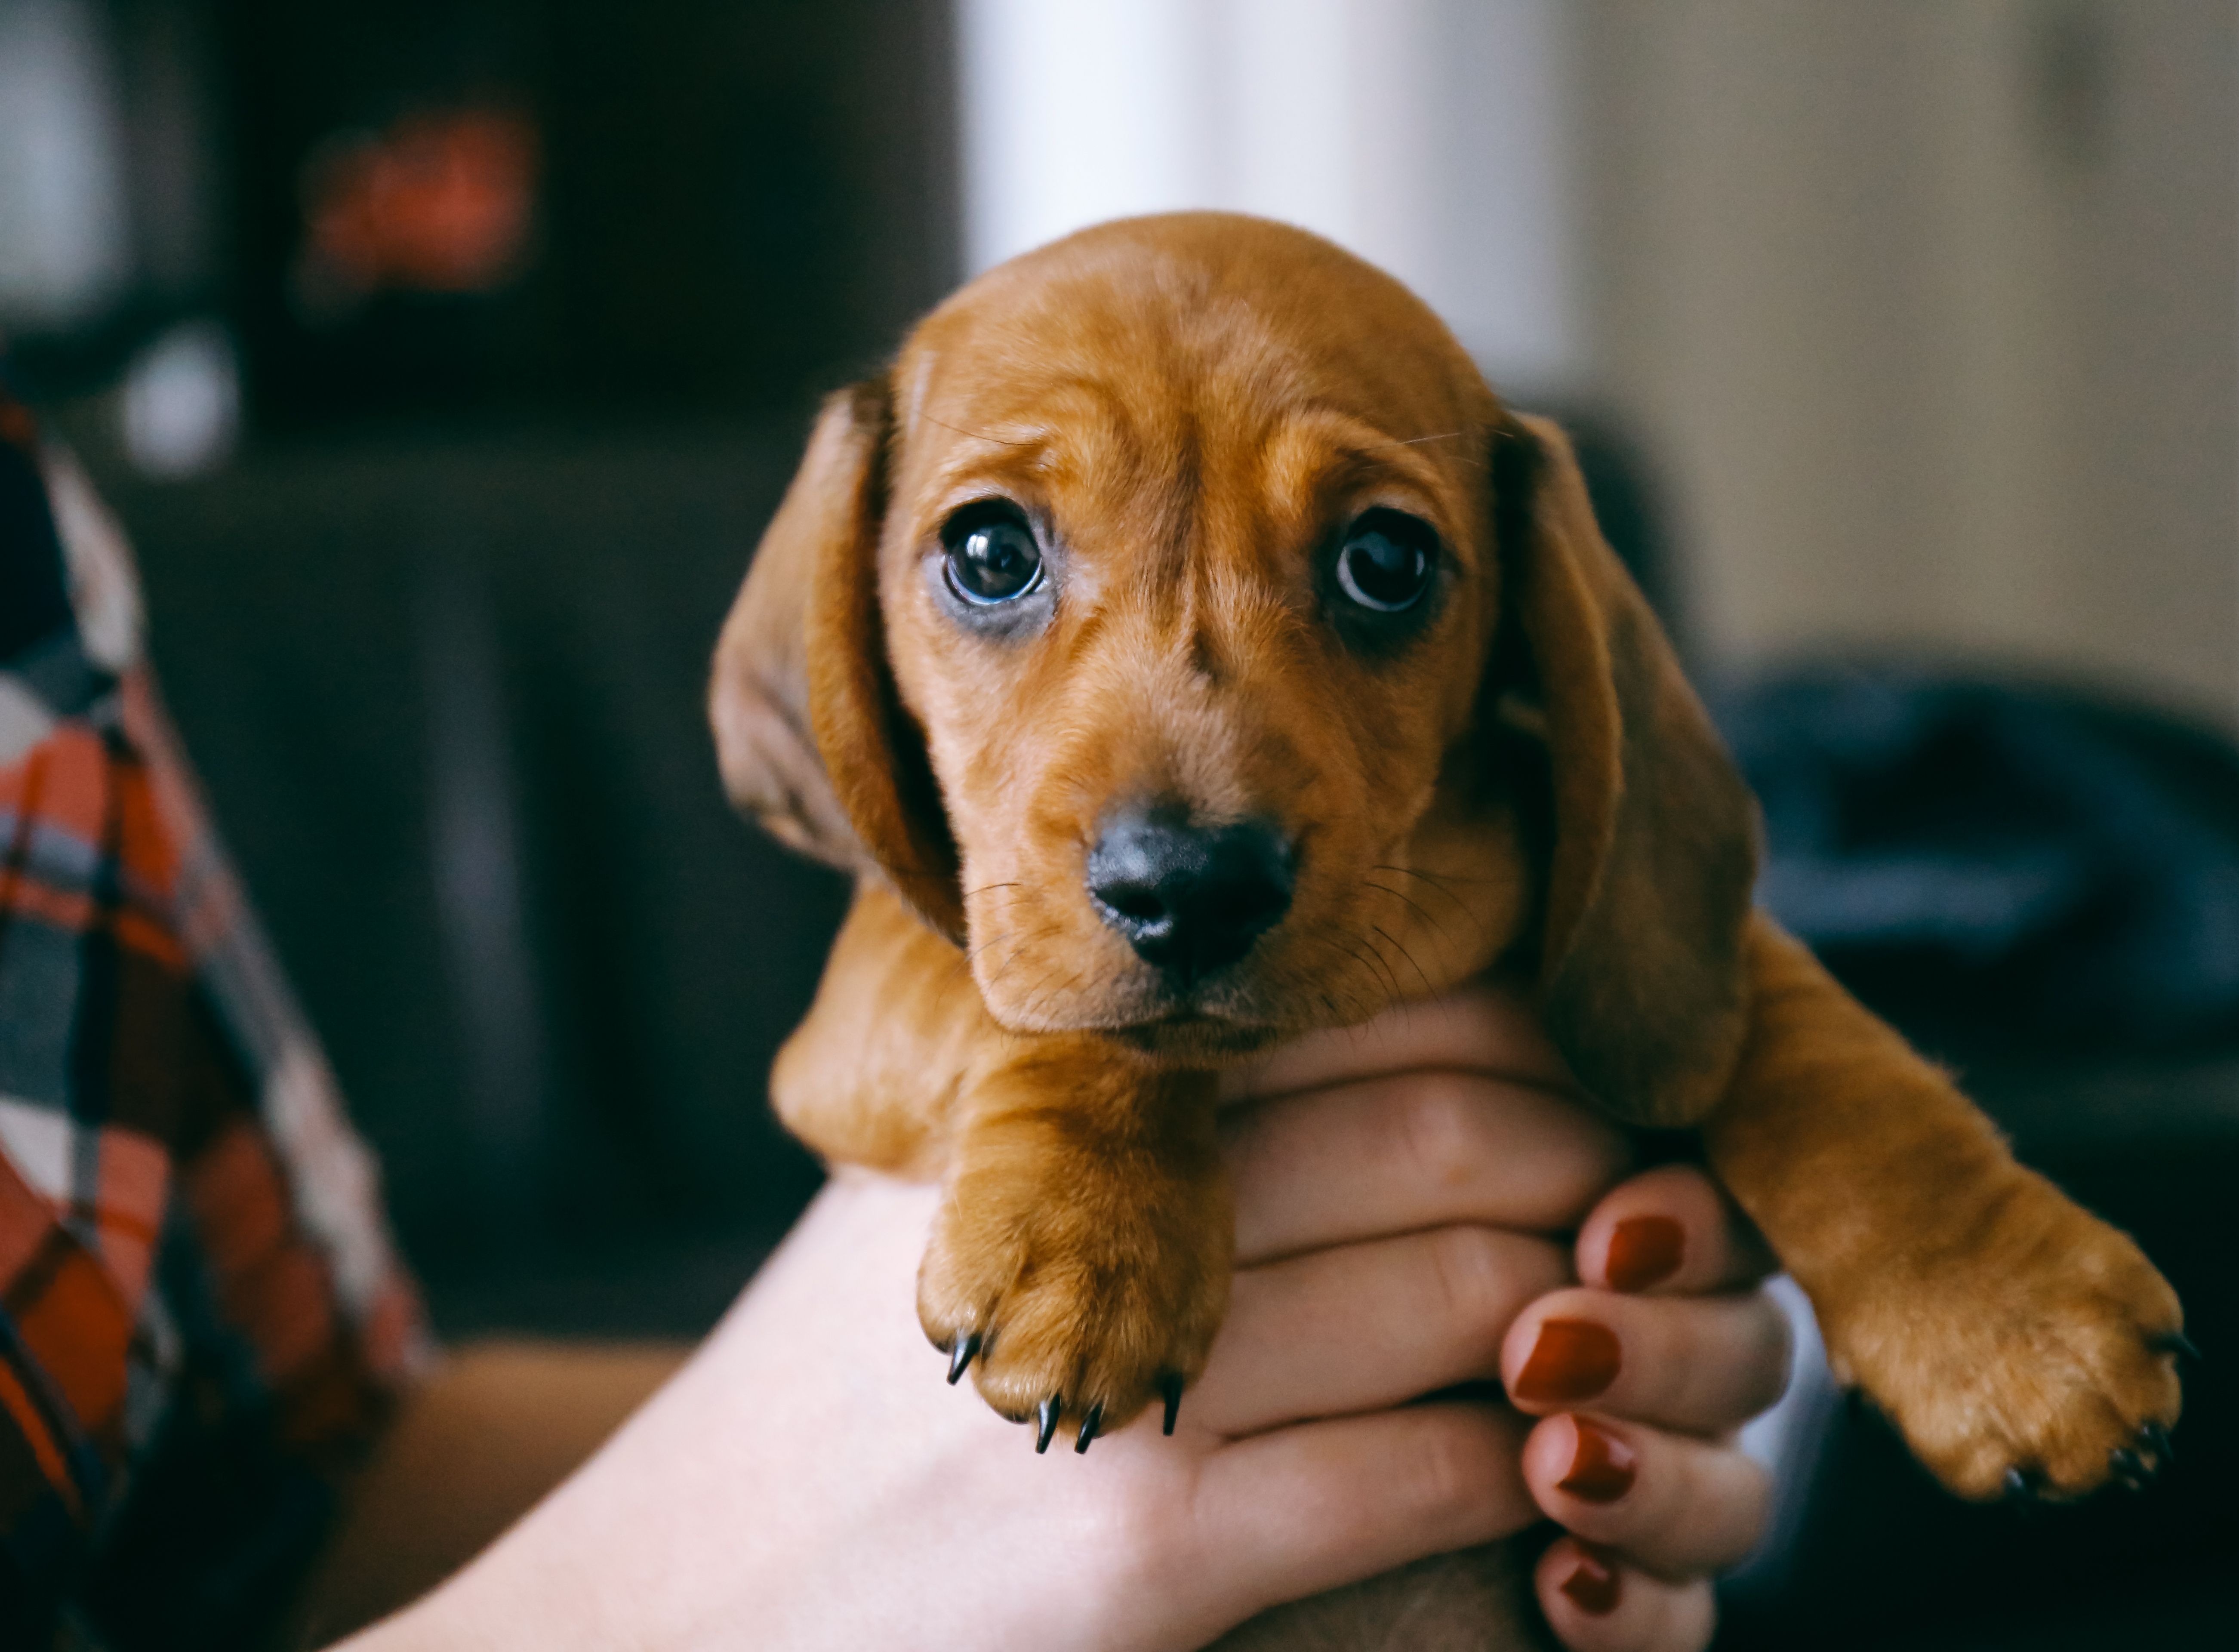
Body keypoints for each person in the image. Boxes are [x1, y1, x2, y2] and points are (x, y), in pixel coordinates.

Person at [0, 379, 1787, 1651]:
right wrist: (695, 1603)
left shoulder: (29, 544)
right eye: (997, 553)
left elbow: (295, 1502)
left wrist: (1341, 1439)